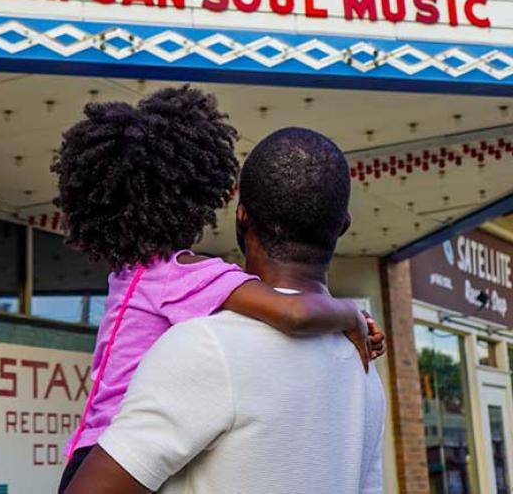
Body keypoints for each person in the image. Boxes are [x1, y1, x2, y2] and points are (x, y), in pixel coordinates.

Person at [54, 88, 383, 493]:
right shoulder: (363, 376)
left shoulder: (134, 278)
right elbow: (292, 313)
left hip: (90, 448)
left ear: (241, 218)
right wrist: (351, 316)